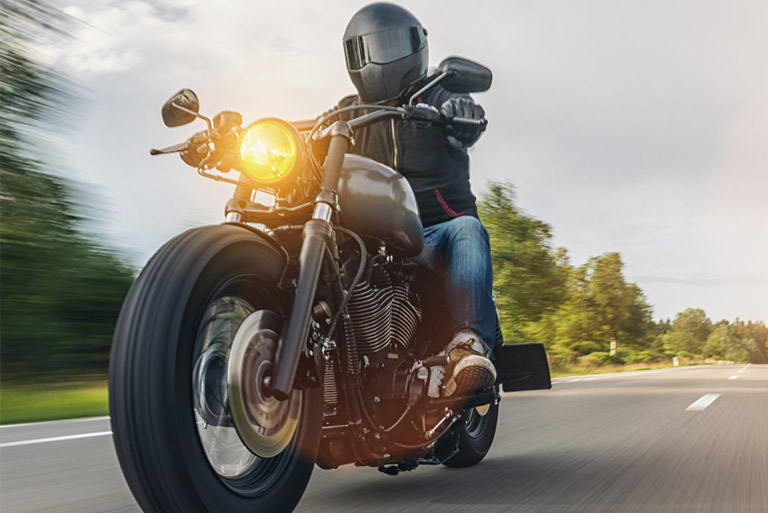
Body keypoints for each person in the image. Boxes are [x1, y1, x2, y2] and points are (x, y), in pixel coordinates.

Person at [327, 2, 496, 397]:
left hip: (435, 232)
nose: (381, 57)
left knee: (468, 229)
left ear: (415, 47)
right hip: (371, 239)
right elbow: (309, 139)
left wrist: (462, 114)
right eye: (370, 47)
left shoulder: (438, 94)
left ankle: (468, 346)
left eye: (390, 45)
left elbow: (470, 117)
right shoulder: (346, 111)